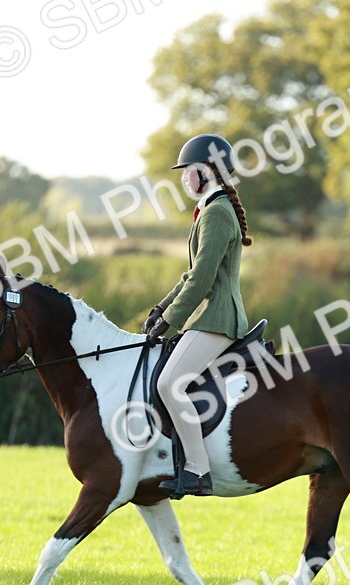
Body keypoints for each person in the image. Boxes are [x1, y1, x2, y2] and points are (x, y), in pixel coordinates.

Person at [143, 133, 253, 498]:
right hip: (207, 316)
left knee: (169, 384)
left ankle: (198, 469)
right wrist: (162, 309)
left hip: (218, 318)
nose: (184, 179)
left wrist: (170, 320)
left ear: (206, 171)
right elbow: (191, 275)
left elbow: (203, 279)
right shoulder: (211, 209)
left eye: (188, 171)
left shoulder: (217, 213)